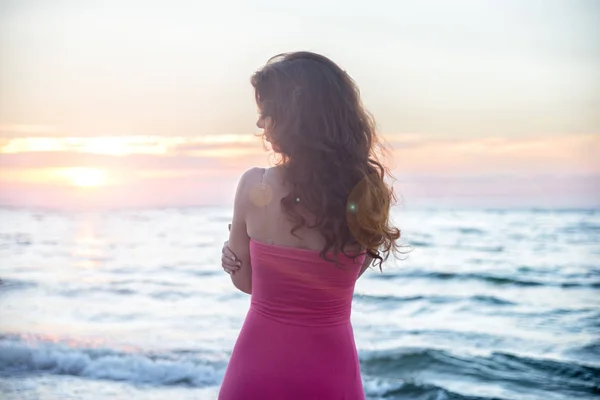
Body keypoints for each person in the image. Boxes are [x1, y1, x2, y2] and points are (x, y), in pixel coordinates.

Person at [218, 51, 401, 399]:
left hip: (259, 365)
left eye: (266, 113)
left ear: (293, 118)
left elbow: (246, 283)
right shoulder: (368, 193)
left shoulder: (255, 185)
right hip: (331, 371)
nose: (260, 124)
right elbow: (342, 279)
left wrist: (232, 255)